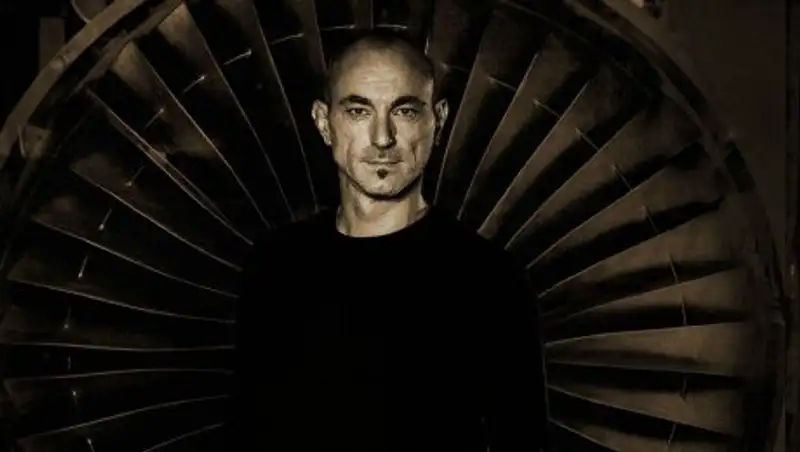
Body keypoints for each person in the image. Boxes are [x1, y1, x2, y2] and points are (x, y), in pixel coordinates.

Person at [228, 29, 551, 452]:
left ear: (438, 120)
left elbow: (523, 441)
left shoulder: (489, 278)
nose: (382, 138)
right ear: (324, 123)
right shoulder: (274, 266)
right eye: (358, 111)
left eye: (405, 111)